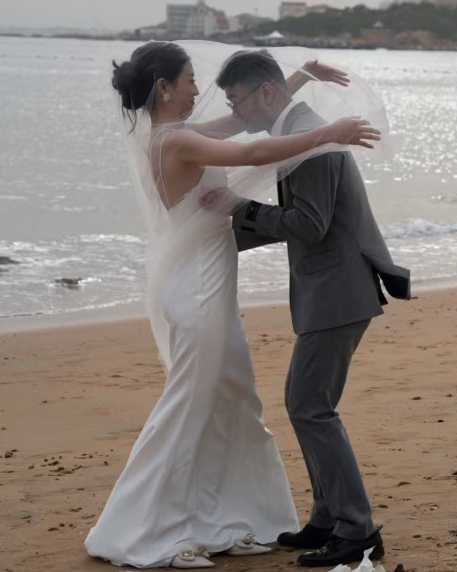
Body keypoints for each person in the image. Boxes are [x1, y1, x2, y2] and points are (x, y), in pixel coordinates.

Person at [85, 41, 381, 569]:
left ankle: (227, 517)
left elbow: (248, 121)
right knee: (190, 406)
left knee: (233, 402)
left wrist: (301, 79)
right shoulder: (174, 143)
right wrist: (327, 134)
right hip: (195, 290)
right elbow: (251, 152)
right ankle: (157, 531)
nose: (199, 91)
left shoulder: (182, 135)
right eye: (190, 80)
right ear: (164, 89)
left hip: (212, 287)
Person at [217, 50, 411, 568]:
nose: (236, 115)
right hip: (331, 287)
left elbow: (309, 223)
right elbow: (305, 219)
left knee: (310, 408)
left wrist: (240, 211)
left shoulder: (314, 141)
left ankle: (358, 531)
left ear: (264, 93)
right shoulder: (299, 127)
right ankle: (328, 517)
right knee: (306, 405)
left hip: (339, 290)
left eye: (237, 102)